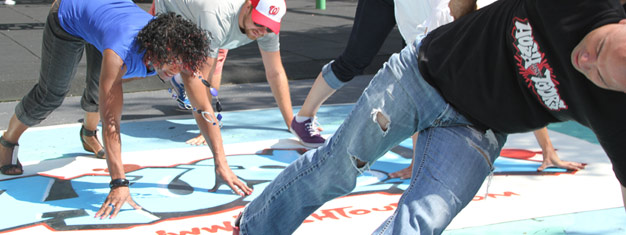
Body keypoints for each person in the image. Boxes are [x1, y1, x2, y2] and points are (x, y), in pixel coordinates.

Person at [234, 0, 626, 233]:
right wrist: (465, 25)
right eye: (597, 46)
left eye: (594, 75)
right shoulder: (579, 4)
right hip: (424, 75)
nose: (583, 60)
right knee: (337, 167)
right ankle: (254, 227)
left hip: (479, 129)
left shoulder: (618, 115)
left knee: (421, 221)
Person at [0, 0, 209, 219]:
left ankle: (88, 134)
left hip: (105, 21)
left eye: (180, 65)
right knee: (51, 95)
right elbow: (111, 123)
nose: (176, 70)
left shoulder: (173, 46)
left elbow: (204, 108)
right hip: (68, 15)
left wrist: (221, 163)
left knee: (100, 90)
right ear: (156, 52)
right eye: (172, 65)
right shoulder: (120, 52)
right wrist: (119, 183)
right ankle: (8, 141)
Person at [152, 0, 295, 146]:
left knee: (213, 60)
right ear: (247, 7)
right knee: (160, 65)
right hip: (173, 8)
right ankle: (180, 78)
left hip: (211, 22)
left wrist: (292, 123)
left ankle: (182, 80)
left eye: (269, 27)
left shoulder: (266, 28)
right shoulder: (218, 18)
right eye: (258, 23)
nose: (262, 31)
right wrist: (207, 130)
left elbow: (275, 72)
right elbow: (205, 78)